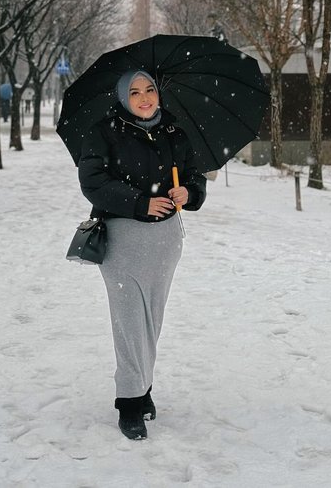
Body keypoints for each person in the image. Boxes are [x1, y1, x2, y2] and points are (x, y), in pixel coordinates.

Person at [78, 70, 206, 441]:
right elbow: (94, 183)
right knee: (129, 319)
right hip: (122, 238)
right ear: (122, 98)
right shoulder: (104, 132)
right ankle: (129, 402)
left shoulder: (174, 132)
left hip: (166, 240)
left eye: (149, 90)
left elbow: (195, 178)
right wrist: (139, 202)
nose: (144, 97)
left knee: (151, 317)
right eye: (134, 92)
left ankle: (143, 386)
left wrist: (190, 194)